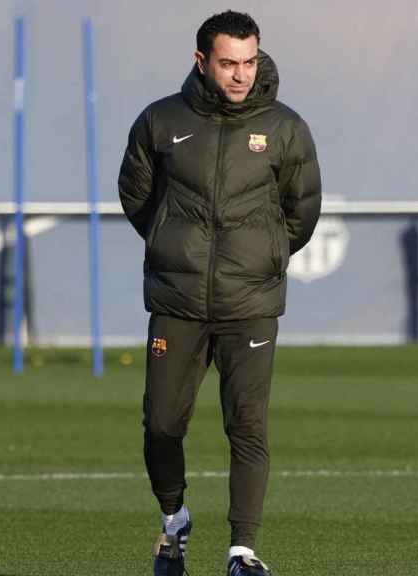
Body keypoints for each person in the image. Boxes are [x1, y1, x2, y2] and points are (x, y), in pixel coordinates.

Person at [118, 10, 321, 576]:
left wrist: (262, 258)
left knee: (249, 426)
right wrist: (174, 246)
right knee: (161, 423)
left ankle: (242, 551)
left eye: (249, 62)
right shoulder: (160, 120)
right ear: (202, 62)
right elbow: (136, 196)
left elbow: (301, 211)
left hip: (250, 305)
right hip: (177, 303)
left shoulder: (285, 128)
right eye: (228, 63)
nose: (240, 75)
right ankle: (173, 520)